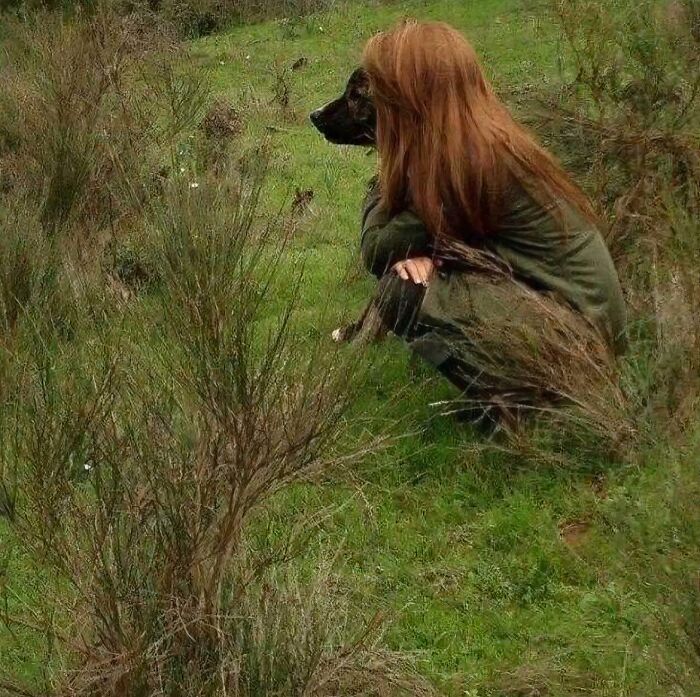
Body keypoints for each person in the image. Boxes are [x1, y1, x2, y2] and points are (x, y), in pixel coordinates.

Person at [359, 20, 626, 421]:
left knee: (403, 290)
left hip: (578, 346)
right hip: (588, 333)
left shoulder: (463, 166)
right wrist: (440, 260)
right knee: (418, 278)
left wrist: (385, 170)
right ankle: (531, 398)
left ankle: (524, 411)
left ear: (412, 100)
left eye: (384, 94)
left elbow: (377, 249)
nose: (377, 104)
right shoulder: (485, 143)